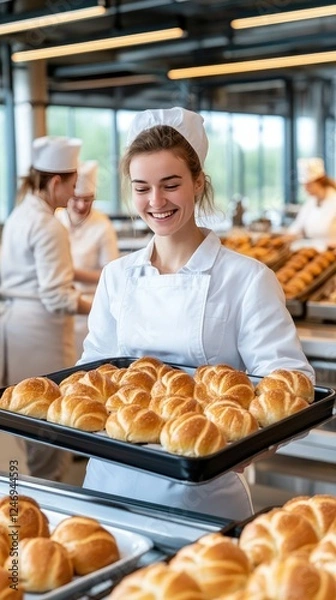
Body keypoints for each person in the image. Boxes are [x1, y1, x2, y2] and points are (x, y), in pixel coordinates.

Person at [78, 107, 315, 521]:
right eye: (142, 188)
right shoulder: (117, 276)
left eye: (171, 185)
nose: (156, 202)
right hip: (111, 481)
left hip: (203, 489)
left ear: (198, 182)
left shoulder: (246, 278)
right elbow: (91, 372)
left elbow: (290, 383)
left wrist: (249, 447)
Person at [0, 135, 92, 482]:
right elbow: (56, 296)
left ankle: (27, 500)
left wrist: (96, 276)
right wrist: (98, 308)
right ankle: (42, 509)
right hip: (40, 334)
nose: (72, 195)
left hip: (15, 328)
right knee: (50, 432)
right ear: (56, 182)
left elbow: (37, 272)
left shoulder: (20, 213)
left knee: (25, 427)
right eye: (71, 186)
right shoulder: (50, 225)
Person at [56, 160, 119, 359]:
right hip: (59, 306)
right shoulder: (56, 219)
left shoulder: (102, 225)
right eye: (76, 199)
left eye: (88, 199)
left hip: (89, 307)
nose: (82, 205)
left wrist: (72, 273)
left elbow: (110, 273)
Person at [288, 157, 336, 241]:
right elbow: (297, 227)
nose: (305, 189)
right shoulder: (310, 202)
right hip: (314, 250)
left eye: (308, 185)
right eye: (304, 185)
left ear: (320, 182)